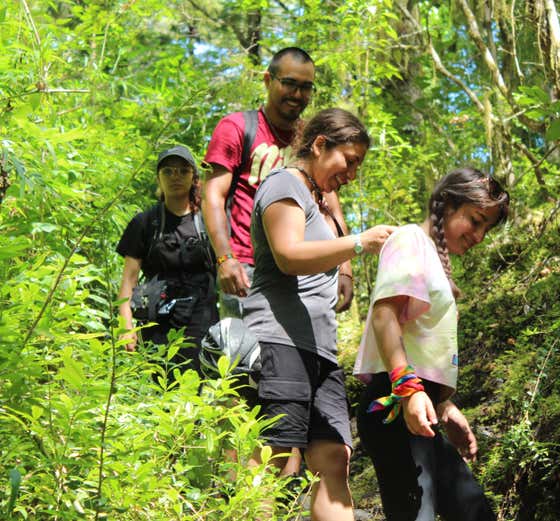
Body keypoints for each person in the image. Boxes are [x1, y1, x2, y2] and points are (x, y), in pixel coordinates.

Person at [245, 107, 396, 520]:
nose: (351, 173)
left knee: (334, 459)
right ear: (319, 145)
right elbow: (289, 255)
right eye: (349, 161)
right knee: (271, 458)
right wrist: (358, 243)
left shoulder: (321, 200)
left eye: (358, 165)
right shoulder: (284, 184)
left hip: (321, 351)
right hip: (279, 341)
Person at [353, 167, 510, 521]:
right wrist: (408, 389)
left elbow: (419, 343)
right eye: (475, 220)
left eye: (486, 227)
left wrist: (446, 406)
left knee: (474, 511)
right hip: (393, 403)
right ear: (448, 204)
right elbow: (384, 316)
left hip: (415, 407)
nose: (480, 235)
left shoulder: (433, 260)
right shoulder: (410, 239)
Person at [202, 47, 355, 320]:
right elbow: (213, 195)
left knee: (294, 360)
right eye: (289, 83)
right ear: (268, 80)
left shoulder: (312, 140)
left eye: (306, 87)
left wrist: (345, 267)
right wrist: (225, 259)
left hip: (305, 268)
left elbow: (329, 206)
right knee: (245, 357)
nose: (297, 95)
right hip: (248, 268)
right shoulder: (236, 127)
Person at [116, 145, 217, 374]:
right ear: (158, 178)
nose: (175, 177)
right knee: (157, 387)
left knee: (194, 387)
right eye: (168, 171)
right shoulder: (145, 223)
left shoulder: (210, 222)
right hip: (156, 321)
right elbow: (128, 281)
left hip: (201, 319)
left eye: (183, 171)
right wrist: (126, 326)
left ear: (194, 177)